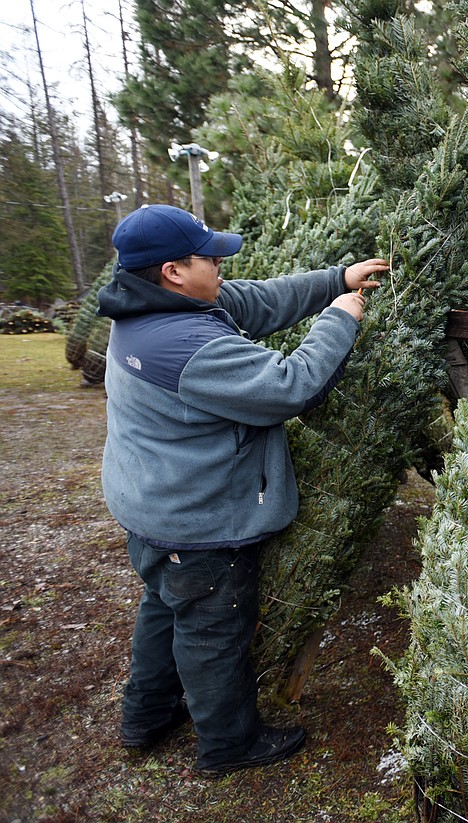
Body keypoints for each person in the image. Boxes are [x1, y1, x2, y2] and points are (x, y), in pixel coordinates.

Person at [97, 204, 388, 776]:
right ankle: (229, 744)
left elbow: (255, 301)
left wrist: (336, 279)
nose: (225, 265)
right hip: (198, 523)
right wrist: (340, 317)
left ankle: (146, 717)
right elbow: (289, 386)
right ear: (174, 271)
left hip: (153, 511)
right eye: (212, 257)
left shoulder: (151, 306)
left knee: (164, 608)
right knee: (212, 631)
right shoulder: (182, 344)